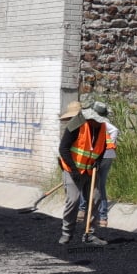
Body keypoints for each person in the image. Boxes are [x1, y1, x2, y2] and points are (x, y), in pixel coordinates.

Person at [56, 100, 109, 248]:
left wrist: (98, 161)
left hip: (90, 170)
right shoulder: (77, 123)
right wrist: (74, 171)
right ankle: (66, 233)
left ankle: (90, 233)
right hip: (72, 169)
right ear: (91, 117)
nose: (98, 123)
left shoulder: (103, 127)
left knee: (96, 197)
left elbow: (102, 147)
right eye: (96, 120)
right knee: (74, 200)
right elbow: (63, 149)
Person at [87, 102, 119, 228]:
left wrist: (107, 146)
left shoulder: (101, 123)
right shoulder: (99, 124)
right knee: (100, 185)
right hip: (108, 154)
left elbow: (115, 130)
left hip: (104, 154)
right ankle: (101, 216)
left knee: (98, 185)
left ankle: (101, 215)